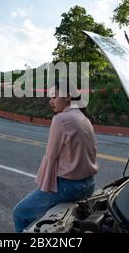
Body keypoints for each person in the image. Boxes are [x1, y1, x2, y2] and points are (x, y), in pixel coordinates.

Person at [12, 79, 98, 232]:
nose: (51, 101)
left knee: (20, 213)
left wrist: (44, 186)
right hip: (89, 184)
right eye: (50, 97)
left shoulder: (61, 119)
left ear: (68, 97)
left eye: (54, 96)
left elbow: (51, 156)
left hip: (68, 187)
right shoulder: (84, 118)